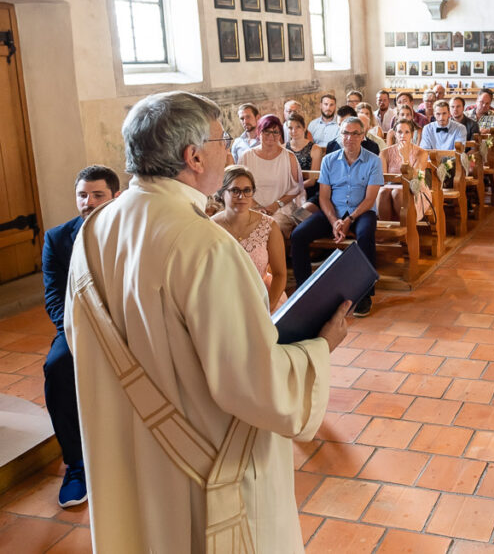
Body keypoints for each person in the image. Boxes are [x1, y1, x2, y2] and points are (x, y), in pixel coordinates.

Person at [64, 90, 349, 552]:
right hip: (202, 459)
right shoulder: (206, 246)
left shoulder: (96, 227)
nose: (229, 147)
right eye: (223, 139)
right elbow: (255, 384)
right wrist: (320, 347)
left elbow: (85, 343)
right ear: (194, 157)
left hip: (128, 446)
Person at [42, 165, 120, 508]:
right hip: (78, 326)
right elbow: (55, 297)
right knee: (57, 366)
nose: (88, 202)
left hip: (127, 324)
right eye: (82, 195)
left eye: (97, 194)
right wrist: (76, 333)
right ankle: (76, 465)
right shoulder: (57, 239)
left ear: (115, 196)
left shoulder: (130, 232)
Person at [291, 116, 383, 316]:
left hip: (362, 211)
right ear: (340, 135)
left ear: (362, 136)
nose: (349, 138)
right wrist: (334, 221)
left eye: (354, 133)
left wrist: (350, 220)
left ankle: (365, 295)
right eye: (345, 133)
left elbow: (370, 199)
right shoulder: (329, 160)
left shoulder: (373, 161)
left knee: (366, 235)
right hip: (333, 211)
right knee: (298, 235)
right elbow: (323, 197)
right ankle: (304, 289)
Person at [212, 165, 288, 310]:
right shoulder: (210, 227)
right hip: (222, 301)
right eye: (235, 191)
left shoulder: (269, 226)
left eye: (247, 190)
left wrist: (268, 308)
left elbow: (280, 274)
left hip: (262, 299)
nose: (242, 197)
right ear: (222, 193)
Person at [238, 114, 308, 237]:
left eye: (275, 132)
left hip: (281, 209)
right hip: (252, 208)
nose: (271, 136)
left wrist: (276, 205)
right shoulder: (247, 156)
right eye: (266, 132)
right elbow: (239, 186)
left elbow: (296, 188)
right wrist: (256, 207)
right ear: (259, 132)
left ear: (280, 135)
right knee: (244, 230)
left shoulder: (289, 157)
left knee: (271, 229)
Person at [378, 118, 431, 222]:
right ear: (395, 134)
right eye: (399, 132)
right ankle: (387, 231)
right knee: (383, 192)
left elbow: (414, 179)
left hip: (415, 189)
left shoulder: (422, 153)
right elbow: (382, 180)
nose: (403, 135)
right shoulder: (384, 153)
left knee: (397, 193)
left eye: (407, 132)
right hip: (389, 187)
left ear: (412, 134)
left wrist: (405, 157)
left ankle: (407, 230)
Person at [285, 112, 324, 212]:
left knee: (300, 214)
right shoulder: (283, 147)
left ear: (304, 128)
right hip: (287, 188)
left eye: (297, 127)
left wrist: (294, 189)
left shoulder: (315, 149)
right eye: (290, 128)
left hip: (308, 189)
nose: (294, 131)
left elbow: (312, 180)